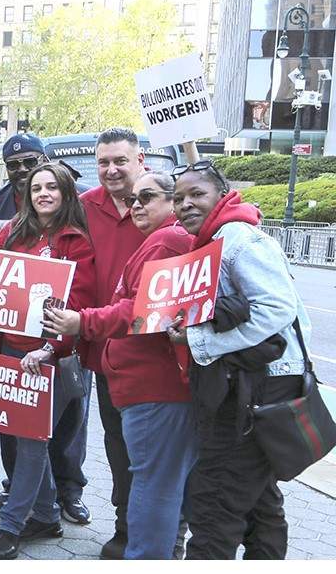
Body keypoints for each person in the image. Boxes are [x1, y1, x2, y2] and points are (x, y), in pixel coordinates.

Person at [44, 171, 195, 559]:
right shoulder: (162, 238)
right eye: (132, 200)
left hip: (153, 390)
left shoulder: (167, 241)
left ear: (173, 201)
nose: (135, 207)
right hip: (144, 385)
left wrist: (82, 321)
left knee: (153, 485)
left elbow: (139, 309)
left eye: (146, 198)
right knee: (153, 480)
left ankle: (147, 555)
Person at [166, 161, 310, 560]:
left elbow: (277, 308)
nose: (185, 204)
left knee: (214, 501)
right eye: (178, 198)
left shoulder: (237, 238)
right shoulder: (216, 240)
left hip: (256, 388)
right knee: (258, 499)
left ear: (222, 195)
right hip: (255, 385)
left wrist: (201, 339)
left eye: (197, 194)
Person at [0, 162, 96, 559]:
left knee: (32, 440)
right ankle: (47, 514)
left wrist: (52, 347)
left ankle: (12, 525)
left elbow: (80, 304)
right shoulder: (10, 233)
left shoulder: (77, 242)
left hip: (51, 358)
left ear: (66, 193)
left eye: (51, 187)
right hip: (12, 352)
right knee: (20, 435)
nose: (43, 194)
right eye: (37, 188)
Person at [75, 128, 174, 555]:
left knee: (153, 455)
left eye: (120, 161)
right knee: (117, 444)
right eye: (104, 162)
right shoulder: (84, 206)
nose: (112, 169)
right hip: (105, 351)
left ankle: (164, 537)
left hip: (157, 360)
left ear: (140, 161)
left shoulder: (164, 215)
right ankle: (125, 526)